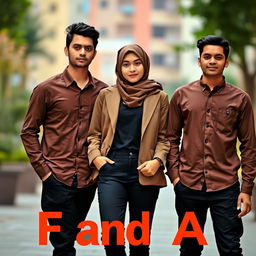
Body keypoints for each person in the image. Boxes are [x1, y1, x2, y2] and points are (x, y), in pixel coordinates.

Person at [20, 22, 108, 256]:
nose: (82, 52)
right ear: (66, 49)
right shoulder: (46, 89)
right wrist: (45, 173)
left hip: (88, 181)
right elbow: (28, 131)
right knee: (63, 244)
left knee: (69, 238)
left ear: (94, 53)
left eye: (88, 48)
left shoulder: (104, 92)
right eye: (77, 46)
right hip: (56, 178)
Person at [167, 35, 256, 256]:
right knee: (189, 248)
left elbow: (249, 146)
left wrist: (246, 189)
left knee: (230, 248)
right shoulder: (181, 95)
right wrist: (176, 177)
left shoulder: (240, 99)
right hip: (188, 186)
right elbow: (170, 138)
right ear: (199, 61)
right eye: (207, 56)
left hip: (225, 188)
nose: (212, 61)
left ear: (226, 62)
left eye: (218, 57)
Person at [87, 44, 170, 256]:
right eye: (126, 64)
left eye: (137, 63)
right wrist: (96, 158)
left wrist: (157, 161)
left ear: (145, 65)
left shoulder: (159, 97)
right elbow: (93, 134)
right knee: (111, 236)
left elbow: (165, 138)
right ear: (118, 68)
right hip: (112, 169)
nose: (132, 69)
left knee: (139, 243)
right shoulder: (106, 95)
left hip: (144, 170)